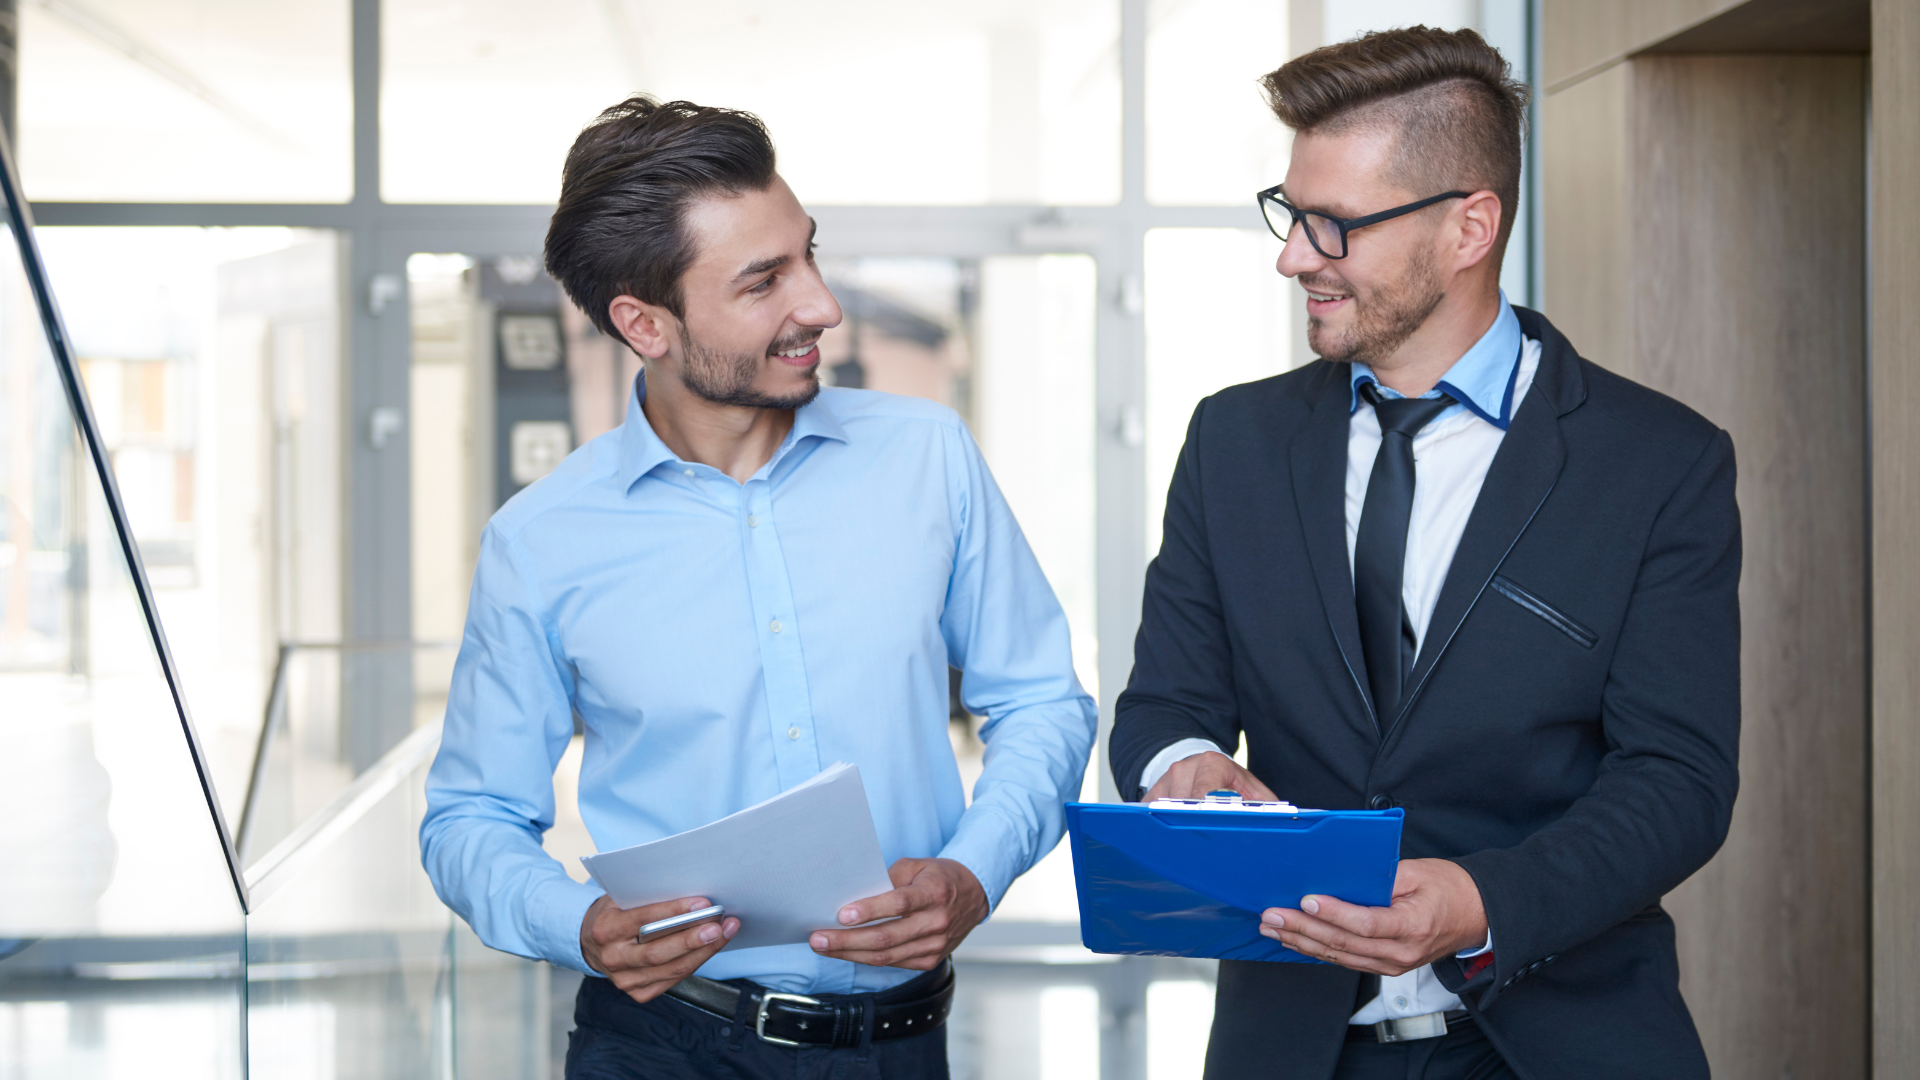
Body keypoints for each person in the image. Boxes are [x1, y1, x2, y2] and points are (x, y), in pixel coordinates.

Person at [420, 96, 1096, 1080]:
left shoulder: (927, 457)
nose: (820, 305)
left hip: (900, 1048)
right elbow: (470, 816)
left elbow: (1040, 701)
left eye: (809, 255)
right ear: (643, 323)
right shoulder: (541, 542)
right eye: (763, 281)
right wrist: (579, 924)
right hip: (660, 1045)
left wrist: (975, 871)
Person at [1109, 27, 1739, 1080]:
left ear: (1469, 227)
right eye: (1290, 213)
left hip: (1551, 1042)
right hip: (1291, 1045)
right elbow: (1164, 706)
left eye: (1333, 226)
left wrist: (1484, 901)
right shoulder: (1234, 441)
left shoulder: (1657, 463)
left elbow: (1677, 779)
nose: (1292, 255)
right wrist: (1187, 771)